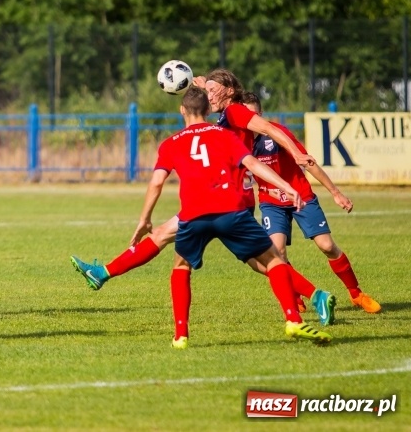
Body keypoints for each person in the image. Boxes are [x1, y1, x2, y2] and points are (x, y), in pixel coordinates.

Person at [71, 68, 337, 326]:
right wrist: (201, 84)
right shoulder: (224, 114)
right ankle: (317, 296)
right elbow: (210, 105)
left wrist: (296, 152)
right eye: (206, 91)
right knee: (260, 262)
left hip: (228, 195)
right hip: (222, 192)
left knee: (170, 239)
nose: (208, 94)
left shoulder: (235, 111)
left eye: (213, 89)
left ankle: (103, 274)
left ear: (229, 91)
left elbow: (269, 129)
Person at [135, 88, 332, 348]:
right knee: (274, 259)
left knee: (181, 266)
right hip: (232, 208)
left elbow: (157, 182)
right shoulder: (223, 134)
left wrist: (144, 218)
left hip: (194, 214)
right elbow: (253, 164)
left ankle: (181, 336)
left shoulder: (171, 142)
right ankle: (293, 319)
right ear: (208, 110)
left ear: (181, 110)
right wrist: (287, 186)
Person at [241, 92, 381, 314]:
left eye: (255, 115)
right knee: (276, 252)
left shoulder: (278, 134)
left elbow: (308, 162)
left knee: (327, 246)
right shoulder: (240, 141)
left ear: (261, 114)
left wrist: (335, 192)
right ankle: (295, 297)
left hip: (301, 196)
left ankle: (356, 293)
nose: (252, 121)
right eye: (246, 116)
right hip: (271, 202)